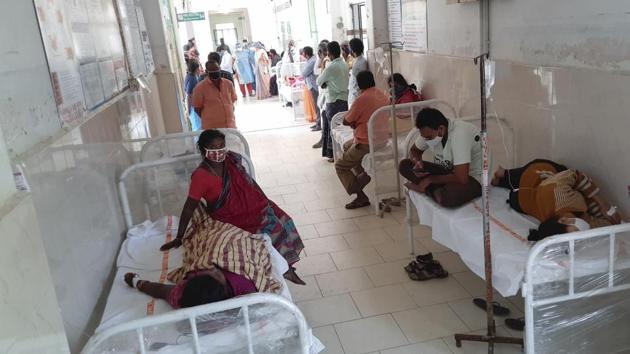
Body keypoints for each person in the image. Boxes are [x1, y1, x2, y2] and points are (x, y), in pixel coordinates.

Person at [160, 130, 306, 284]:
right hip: (229, 217)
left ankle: (286, 264)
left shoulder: (231, 162)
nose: (219, 151)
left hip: (253, 207)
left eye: (221, 146)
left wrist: (264, 200)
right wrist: (179, 237)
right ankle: (284, 270)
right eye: (213, 147)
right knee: (270, 230)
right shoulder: (200, 176)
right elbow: (189, 207)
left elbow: (250, 184)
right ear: (203, 150)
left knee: (284, 220)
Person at [124, 217, 281, 308]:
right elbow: (260, 281)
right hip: (238, 251)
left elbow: (159, 289)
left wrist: (136, 281)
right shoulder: (247, 289)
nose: (211, 268)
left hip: (217, 243)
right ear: (222, 284)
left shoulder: (182, 296)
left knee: (209, 236)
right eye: (213, 272)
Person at [492, 159, 624, 241]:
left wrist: (603, 203)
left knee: (521, 186)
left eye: (576, 232)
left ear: (563, 220)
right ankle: (502, 180)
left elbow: (576, 175)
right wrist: (613, 216)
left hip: (542, 172)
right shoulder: (583, 223)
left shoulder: (556, 192)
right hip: (535, 198)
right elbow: (610, 223)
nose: (581, 231)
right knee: (519, 194)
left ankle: (505, 173)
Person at [399, 108, 482, 208]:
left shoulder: (460, 134)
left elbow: (462, 178)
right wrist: (417, 162)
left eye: (429, 138)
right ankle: (432, 189)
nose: (426, 140)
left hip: (471, 177)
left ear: (441, 129)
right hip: (449, 171)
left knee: (448, 197)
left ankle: (426, 188)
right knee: (404, 165)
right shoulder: (430, 131)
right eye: (425, 137)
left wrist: (430, 180)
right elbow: (415, 150)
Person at [335, 71, 389, 209]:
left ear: (358, 85)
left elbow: (346, 121)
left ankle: (359, 184)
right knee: (347, 146)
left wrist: (354, 122)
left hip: (366, 142)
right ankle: (362, 183)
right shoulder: (382, 95)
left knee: (340, 165)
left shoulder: (362, 99)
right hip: (382, 139)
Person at [316, 41, 349, 162]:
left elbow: (319, 81)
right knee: (342, 128)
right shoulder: (344, 64)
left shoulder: (331, 66)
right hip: (344, 100)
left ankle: (333, 154)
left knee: (332, 128)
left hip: (333, 100)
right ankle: (341, 152)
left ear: (329, 53)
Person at [192, 61, 238, 129]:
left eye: (216, 69)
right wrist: (210, 117)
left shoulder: (228, 83)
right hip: (212, 128)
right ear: (206, 72)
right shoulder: (199, 88)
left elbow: (232, 100)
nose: (215, 71)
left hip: (230, 126)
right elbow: (197, 108)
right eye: (212, 70)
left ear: (220, 68)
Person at [312, 41, 330, 140]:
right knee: (324, 115)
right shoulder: (322, 60)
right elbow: (316, 71)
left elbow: (320, 76)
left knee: (326, 117)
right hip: (323, 91)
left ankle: (324, 139)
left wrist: (322, 66)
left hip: (327, 92)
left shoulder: (328, 61)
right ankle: (323, 138)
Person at [301, 46, 321, 132]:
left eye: (303, 52)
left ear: (306, 53)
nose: (302, 54)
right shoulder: (309, 60)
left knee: (317, 106)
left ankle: (319, 124)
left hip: (314, 86)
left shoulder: (312, 61)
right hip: (312, 85)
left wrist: (303, 71)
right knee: (315, 105)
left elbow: (304, 73)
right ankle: (318, 122)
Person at [348, 38, 368, 107]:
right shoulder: (358, 60)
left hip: (356, 96)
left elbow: (359, 82)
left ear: (352, 49)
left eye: (349, 48)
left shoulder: (360, 63)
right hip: (355, 95)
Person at [184, 60, 203, 131]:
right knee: (197, 127)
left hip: (192, 104)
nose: (199, 70)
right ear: (196, 69)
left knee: (197, 126)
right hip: (192, 105)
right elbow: (189, 95)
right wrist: (188, 109)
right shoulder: (192, 79)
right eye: (198, 68)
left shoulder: (189, 76)